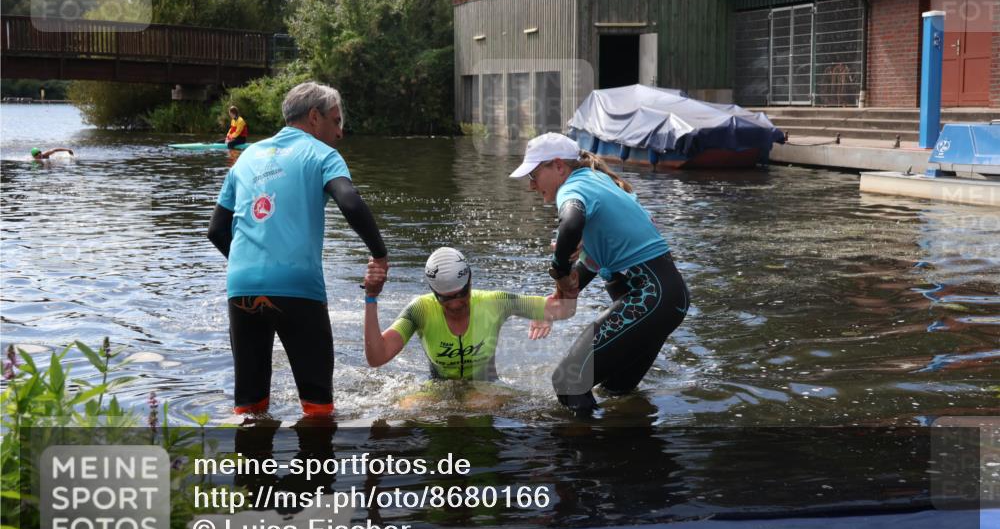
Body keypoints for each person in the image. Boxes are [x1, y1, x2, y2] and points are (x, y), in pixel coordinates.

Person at [207, 82, 388, 417]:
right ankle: (316, 465)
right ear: (315, 117)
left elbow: (216, 230)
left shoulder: (246, 158)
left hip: (242, 287)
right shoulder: (321, 155)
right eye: (336, 121)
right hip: (298, 289)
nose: (340, 132)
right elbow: (349, 200)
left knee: (249, 404)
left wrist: (249, 266)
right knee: (318, 406)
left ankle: (249, 463)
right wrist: (379, 254)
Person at [509, 132, 689, 417]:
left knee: (568, 381)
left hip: (650, 298)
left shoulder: (572, 189)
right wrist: (560, 298)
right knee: (615, 391)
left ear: (558, 166)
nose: (531, 186)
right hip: (667, 300)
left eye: (534, 175)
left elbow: (570, 223)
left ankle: (583, 457)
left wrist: (559, 270)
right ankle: (626, 455)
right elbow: (593, 263)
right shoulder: (600, 181)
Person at [362, 247, 575, 384]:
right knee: (407, 407)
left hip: (488, 391)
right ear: (434, 293)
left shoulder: (495, 302)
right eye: (446, 298)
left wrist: (563, 270)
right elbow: (377, 357)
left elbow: (564, 309)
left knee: (484, 402)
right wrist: (371, 297)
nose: (455, 303)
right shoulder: (420, 310)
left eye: (462, 294)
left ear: (471, 281)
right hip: (439, 392)